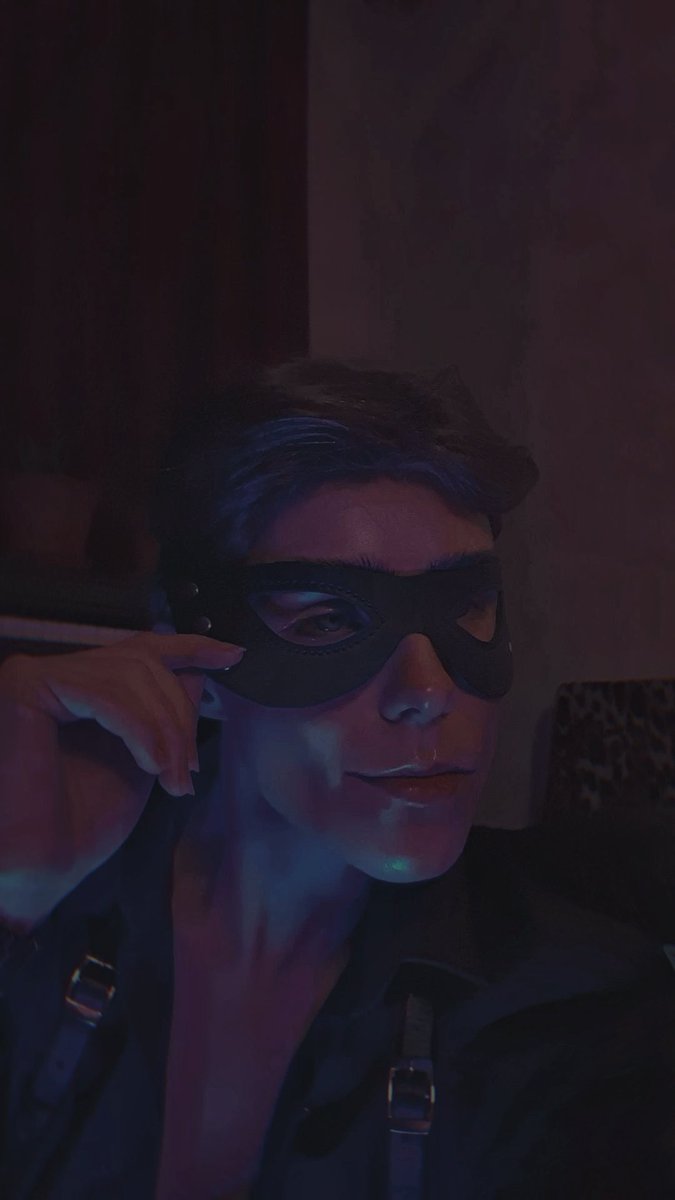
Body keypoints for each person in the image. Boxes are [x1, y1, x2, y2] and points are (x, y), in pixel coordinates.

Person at [0, 359, 673, 1200]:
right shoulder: (50, 915)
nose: (428, 693)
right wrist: (14, 905)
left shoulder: (563, 1014)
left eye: (464, 609)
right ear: (187, 651)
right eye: (326, 620)